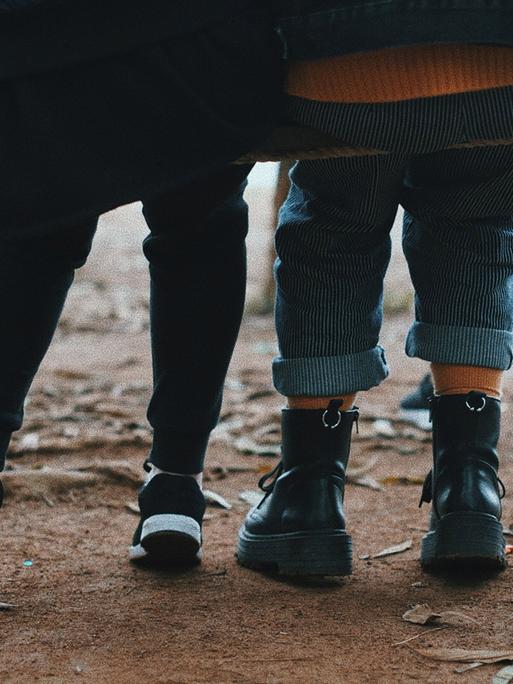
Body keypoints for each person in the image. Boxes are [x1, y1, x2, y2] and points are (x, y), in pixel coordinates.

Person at [0, 0, 283, 565]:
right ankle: (176, 481)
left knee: (35, 224)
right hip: (204, 44)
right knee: (202, 217)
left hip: (48, 42)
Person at [237, 1, 513, 575]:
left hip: (345, 64)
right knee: (476, 228)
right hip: (499, 64)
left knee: (334, 230)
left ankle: (307, 497)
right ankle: (470, 490)